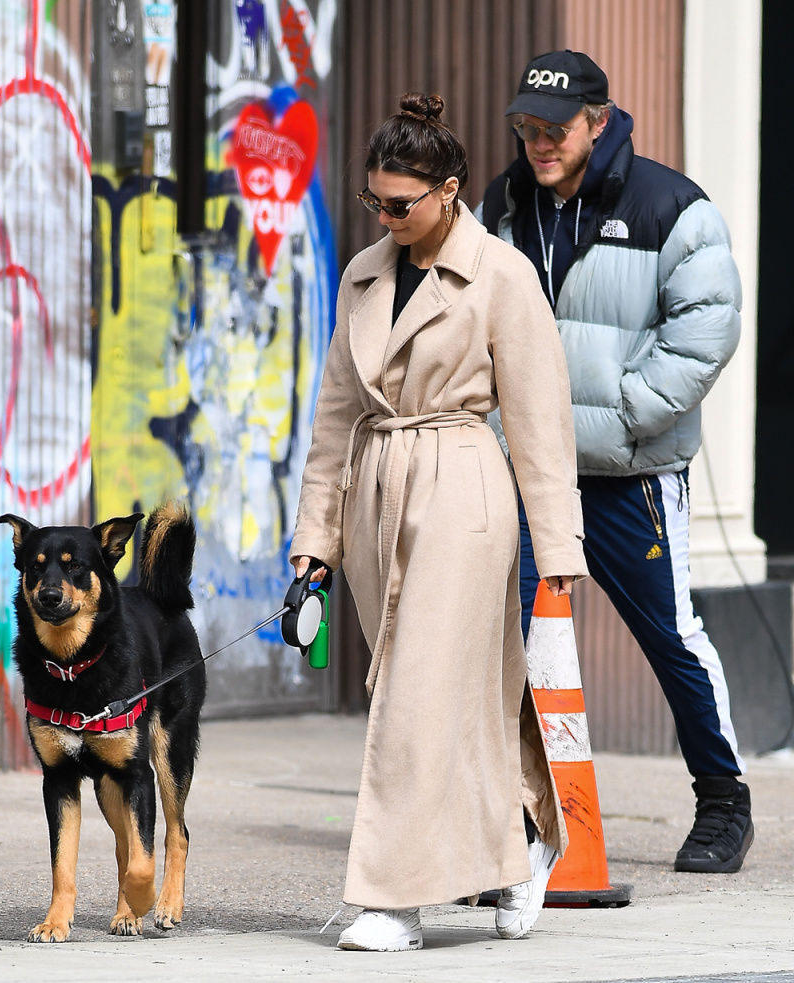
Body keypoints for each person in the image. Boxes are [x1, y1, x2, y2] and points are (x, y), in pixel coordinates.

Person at [289, 92, 588, 951]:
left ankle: (395, 899)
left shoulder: (501, 273)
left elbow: (540, 420)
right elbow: (335, 416)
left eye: (399, 203)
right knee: (445, 698)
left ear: (449, 190)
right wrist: (315, 544)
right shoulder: (363, 273)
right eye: (373, 201)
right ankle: (522, 843)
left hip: (464, 489)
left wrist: (558, 543)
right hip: (377, 487)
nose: (385, 216)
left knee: (420, 696)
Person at [480, 49, 752, 874]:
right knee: (517, 644)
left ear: (599, 123)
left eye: (555, 128)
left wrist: (622, 418)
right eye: (527, 127)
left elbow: (708, 328)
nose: (539, 142)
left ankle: (723, 803)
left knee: (672, 637)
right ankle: (529, 816)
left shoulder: (673, 206)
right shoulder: (502, 203)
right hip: (529, 473)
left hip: (631, 474)